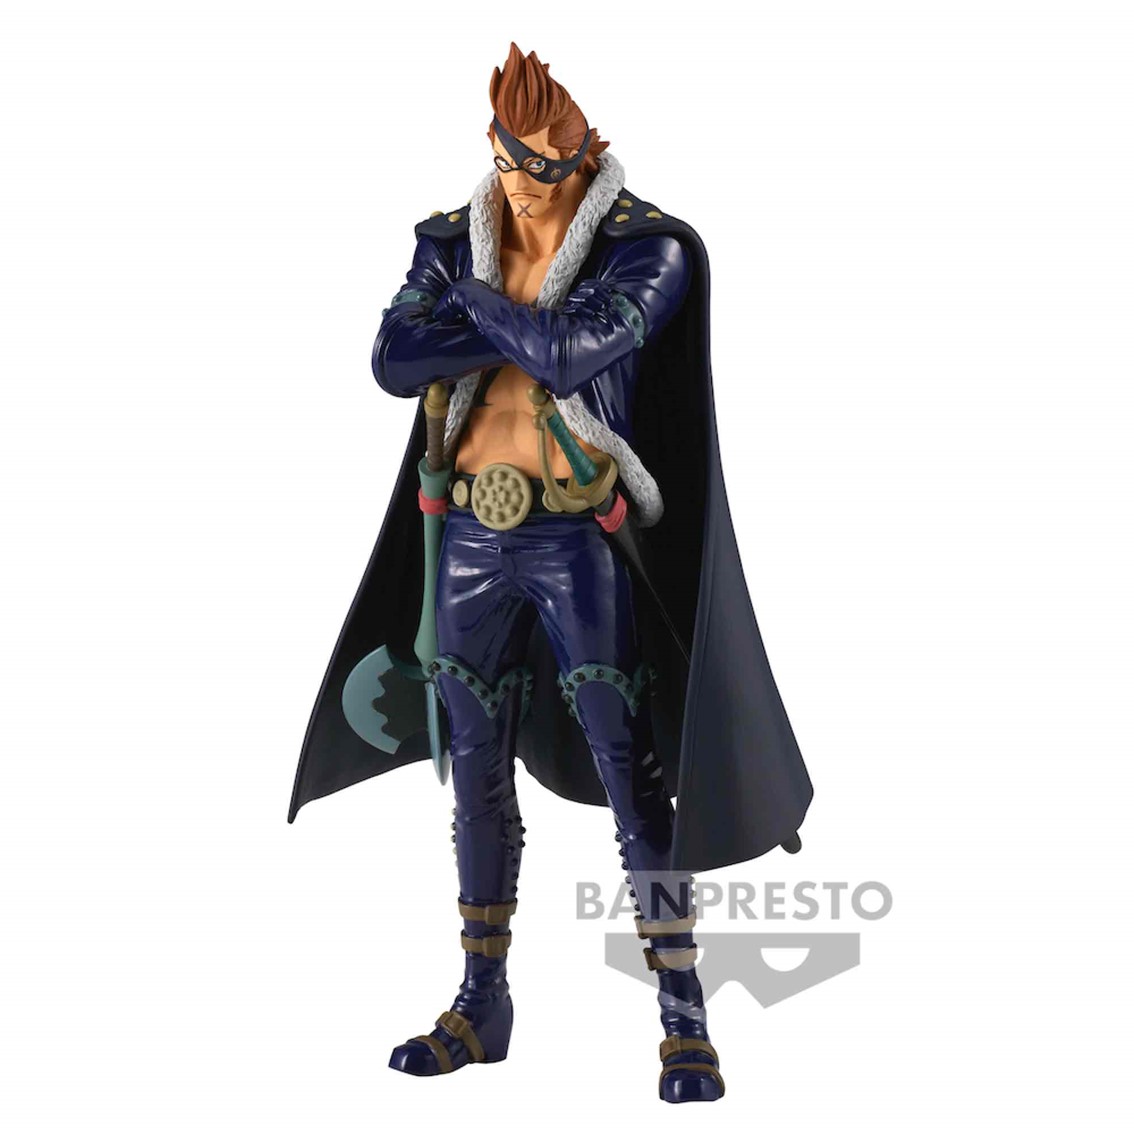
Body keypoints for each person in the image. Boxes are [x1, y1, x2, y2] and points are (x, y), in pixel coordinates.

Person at [289, 43, 813, 1104]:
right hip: (467, 536)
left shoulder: (646, 248)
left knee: (631, 766)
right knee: (473, 769)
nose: (525, 184)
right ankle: (481, 1002)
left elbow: (571, 357)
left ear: (581, 154)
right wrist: (512, 322)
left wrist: (472, 311)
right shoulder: (451, 236)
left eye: (544, 165)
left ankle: (683, 1018)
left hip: (580, 536)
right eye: (510, 162)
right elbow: (391, 363)